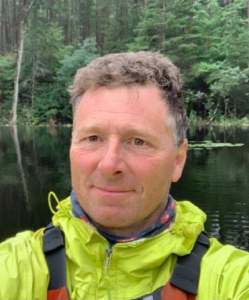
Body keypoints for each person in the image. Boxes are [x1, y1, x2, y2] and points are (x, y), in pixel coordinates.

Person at [0, 52, 249, 300]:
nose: (109, 164)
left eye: (138, 141)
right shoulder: (16, 268)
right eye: (93, 138)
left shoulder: (231, 280)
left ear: (178, 160)